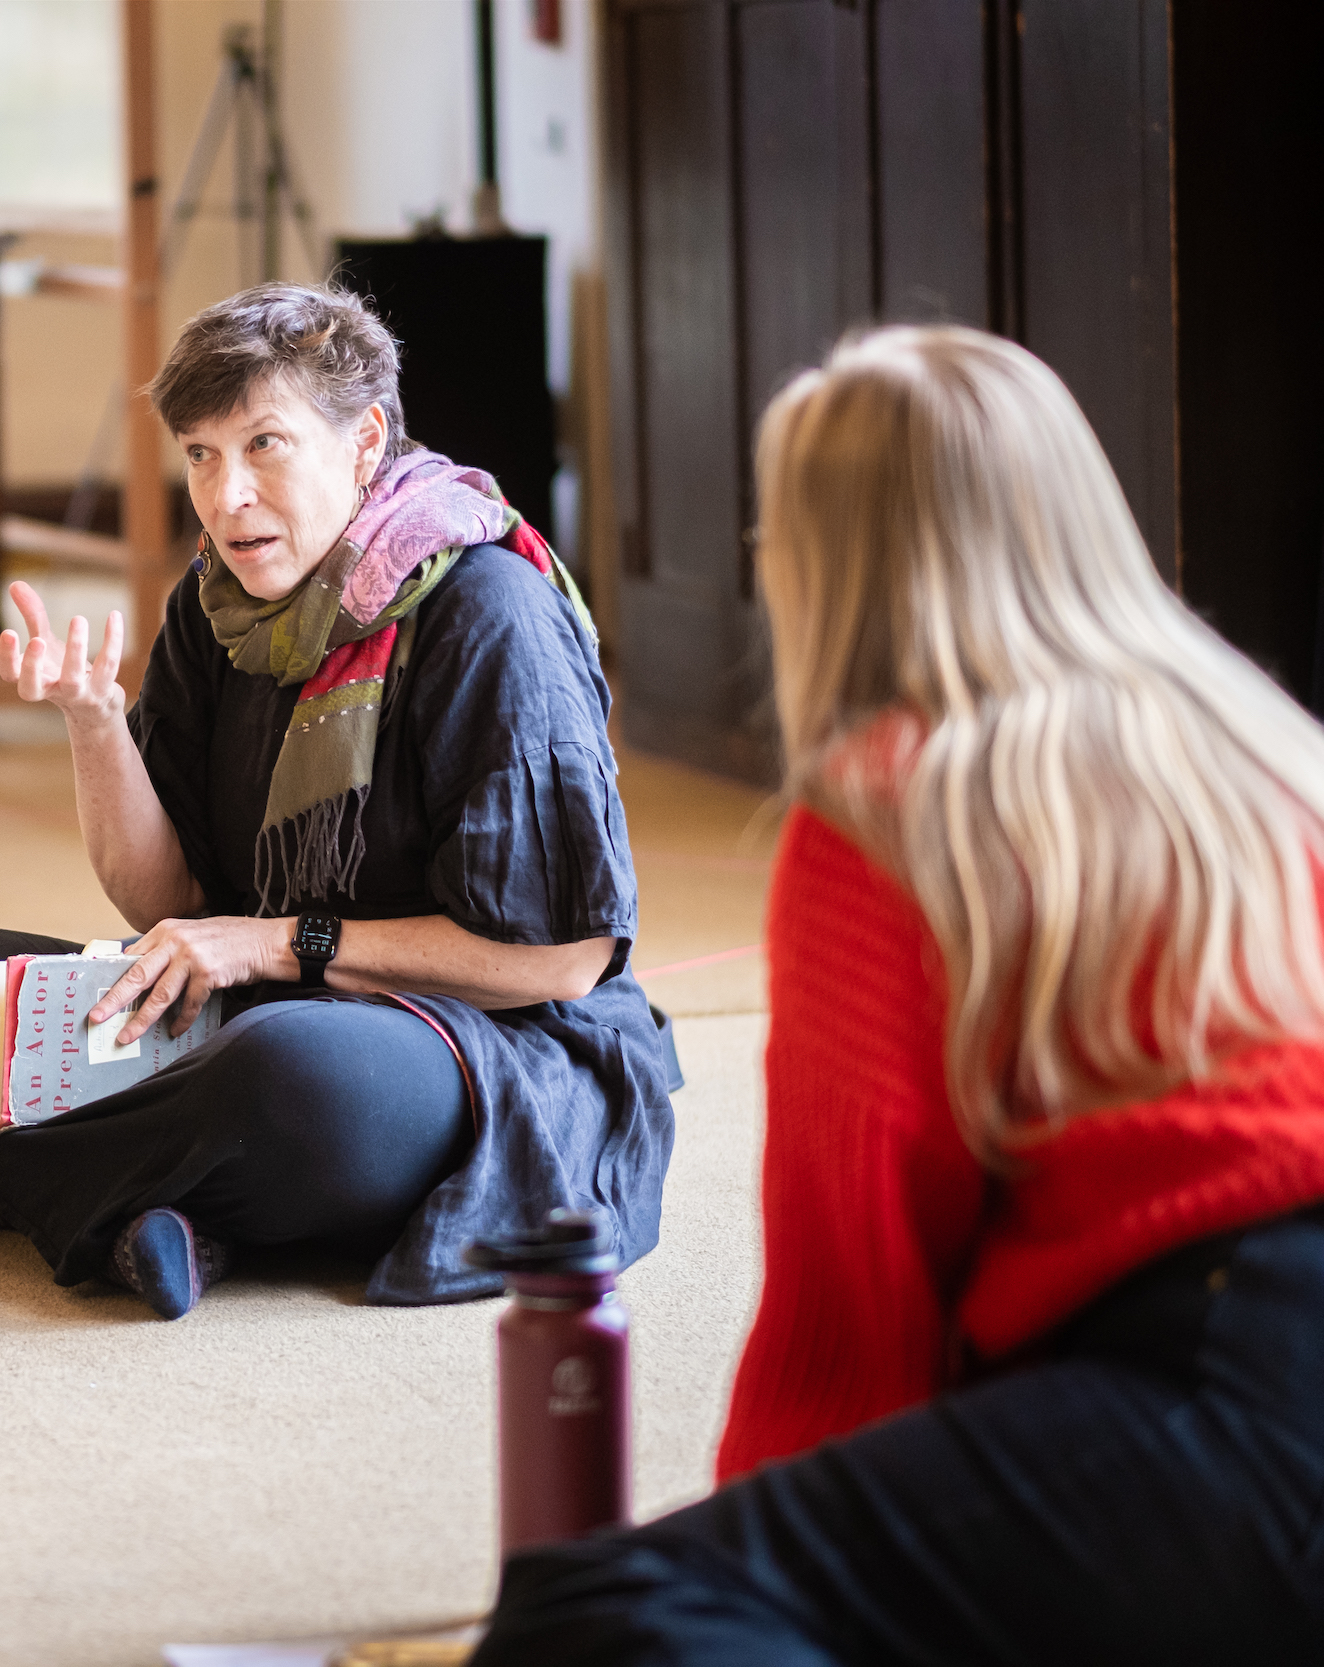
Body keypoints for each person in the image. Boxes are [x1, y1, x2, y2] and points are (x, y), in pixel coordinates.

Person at [476, 327, 1324, 1662]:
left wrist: (775, 1553)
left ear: (815, 565)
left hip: (1232, 1367)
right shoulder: (1259, 744)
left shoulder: (895, 799)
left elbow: (855, 1301)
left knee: (593, 1606)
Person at [0, 283, 678, 1319]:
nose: (226, 499)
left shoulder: (490, 614)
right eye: (201, 455)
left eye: (264, 444)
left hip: (480, 1043)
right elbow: (159, 898)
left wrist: (279, 945)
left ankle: (21, 1184)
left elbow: (565, 958)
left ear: (363, 443)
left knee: (285, 1078)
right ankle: (151, 1211)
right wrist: (94, 721)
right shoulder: (216, 603)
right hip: (252, 1008)